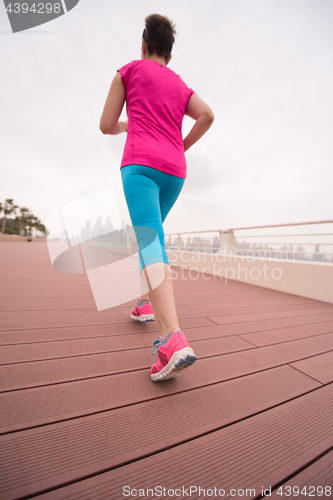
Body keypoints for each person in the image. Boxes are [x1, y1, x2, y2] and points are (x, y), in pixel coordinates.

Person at [100, 14, 214, 382]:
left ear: (144, 44)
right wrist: (180, 145)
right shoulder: (180, 85)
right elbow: (207, 115)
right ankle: (144, 303)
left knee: (150, 239)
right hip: (175, 172)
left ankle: (171, 338)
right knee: (153, 238)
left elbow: (105, 124)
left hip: (141, 166)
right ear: (169, 52)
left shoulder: (129, 70)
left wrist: (124, 126)